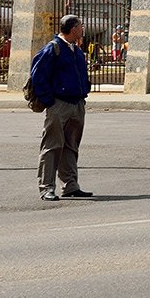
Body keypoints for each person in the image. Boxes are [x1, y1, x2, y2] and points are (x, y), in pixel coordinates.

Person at [31, 14, 93, 202]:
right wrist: (50, 101)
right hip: (59, 105)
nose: (82, 29)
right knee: (52, 146)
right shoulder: (53, 48)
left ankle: (71, 185)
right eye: (81, 26)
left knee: (71, 146)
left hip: (77, 104)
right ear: (73, 29)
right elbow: (37, 76)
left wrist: (85, 89)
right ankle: (46, 187)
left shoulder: (75, 50)